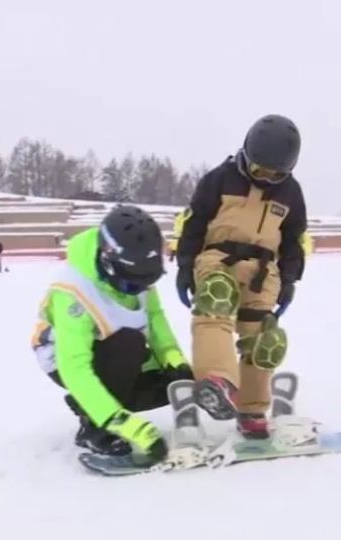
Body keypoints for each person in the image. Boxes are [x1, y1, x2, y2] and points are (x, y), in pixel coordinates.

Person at [175, 114, 308, 439]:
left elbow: (294, 241)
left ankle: (251, 409)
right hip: (218, 258)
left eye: (275, 175)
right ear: (246, 154)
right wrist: (184, 265)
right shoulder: (219, 179)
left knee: (265, 339)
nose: (265, 178)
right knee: (216, 300)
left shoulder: (290, 193)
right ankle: (217, 380)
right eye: (258, 170)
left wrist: (290, 280)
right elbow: (193, 225)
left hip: (264, 272)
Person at [30, 204, 193, 462]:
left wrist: (177, 364)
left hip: (118, 351)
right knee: (129, 343)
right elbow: (75, 367)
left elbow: (156, 321)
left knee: (176, 384)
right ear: (108, 264)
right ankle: (95, 426)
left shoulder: (136, 273)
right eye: (131, 285)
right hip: (64, 360)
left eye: (146, 283)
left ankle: (93, 401)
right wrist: (120, 422)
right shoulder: (73, 292)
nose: (139, 290)